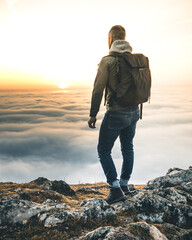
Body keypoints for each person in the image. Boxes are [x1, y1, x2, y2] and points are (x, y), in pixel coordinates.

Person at [88, 25, 140, 204]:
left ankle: (115, 188)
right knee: (128, 147)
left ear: (110, 40)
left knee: (103, 150)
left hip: (116, 112)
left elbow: (97, 90)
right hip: (134, 112)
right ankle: (124, 185)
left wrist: (93, 114)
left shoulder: (107, 61)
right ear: (124, 38)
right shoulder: (135, 60)